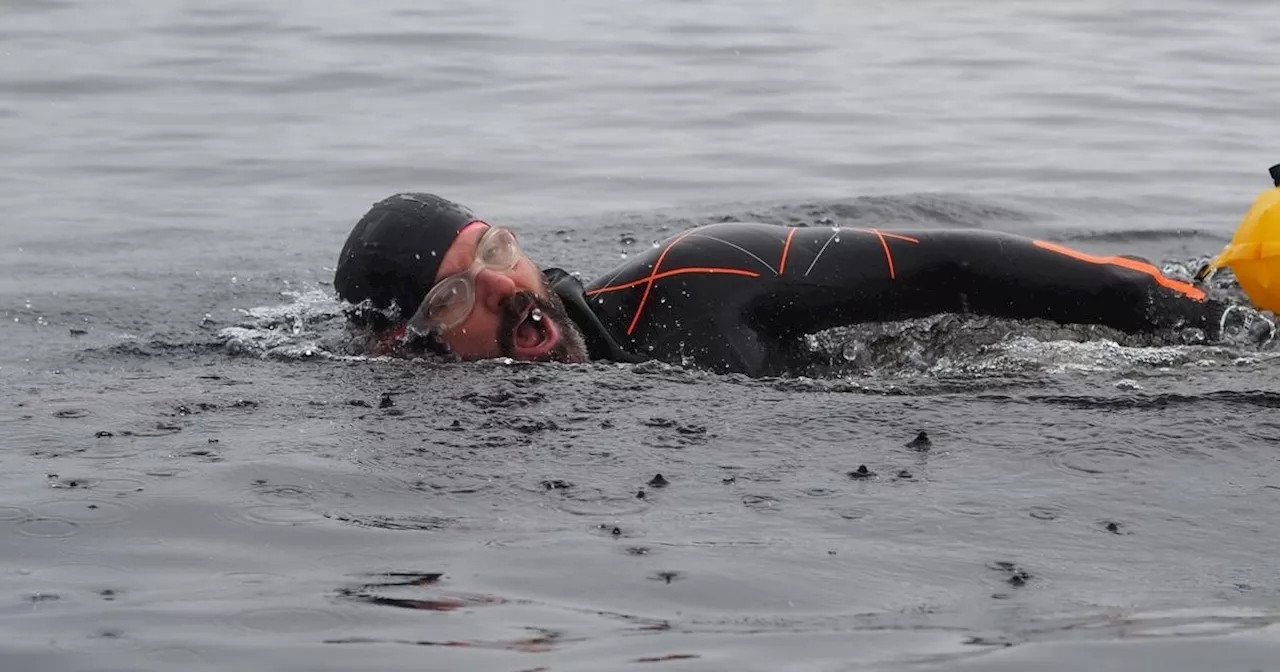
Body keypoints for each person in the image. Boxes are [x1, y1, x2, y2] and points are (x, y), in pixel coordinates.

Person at [334, 193, 1222, 377]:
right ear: (398, 347)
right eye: (453, 299)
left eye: (496, 252)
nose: (502, 289)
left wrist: (1210, 320)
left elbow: (954, 264)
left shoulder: (700, 277)